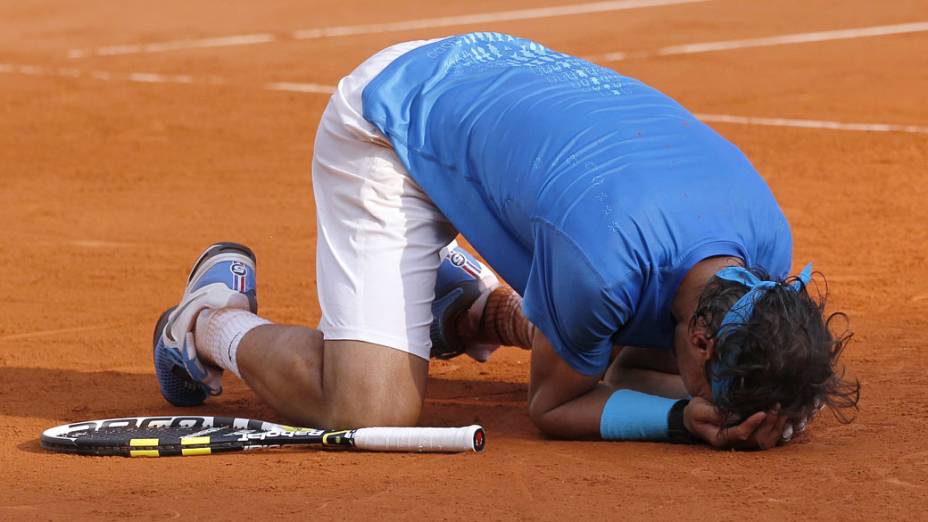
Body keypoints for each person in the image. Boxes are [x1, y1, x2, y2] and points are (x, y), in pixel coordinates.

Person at [152, 32, 859, 449]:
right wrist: (682, 417)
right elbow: (552, 408)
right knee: (370, 410)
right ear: (705, 342)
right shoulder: (604, 265)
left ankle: (463, 302)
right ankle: (207, 320)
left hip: (498, 78)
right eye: (714, 382)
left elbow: (635, 359)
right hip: (394, 121)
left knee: (623, 347)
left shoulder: (763, 244)